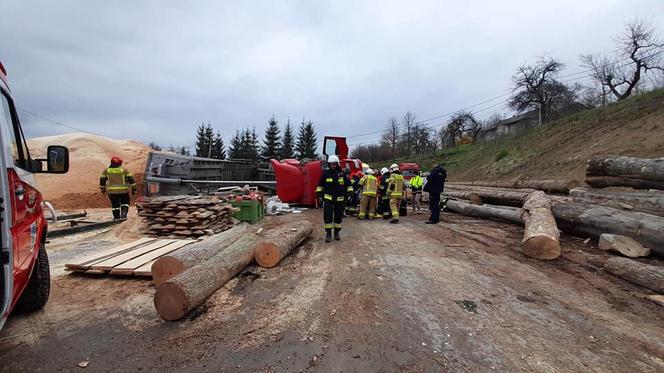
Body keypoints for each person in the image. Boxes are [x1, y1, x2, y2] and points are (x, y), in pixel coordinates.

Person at [316, 155, 353, 242]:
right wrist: (319, 194)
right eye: (331, 164)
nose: (333, 166)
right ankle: (328, 234)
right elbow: (320, 185)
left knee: (338, 217)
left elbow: (349, 184)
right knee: (327, 217)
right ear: (329, 164)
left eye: (334, 164)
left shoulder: (342, 174)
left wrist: (350, 192)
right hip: (328, 199)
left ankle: (337, 233)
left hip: (340, 200)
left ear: (337, 164)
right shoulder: (326, 174)